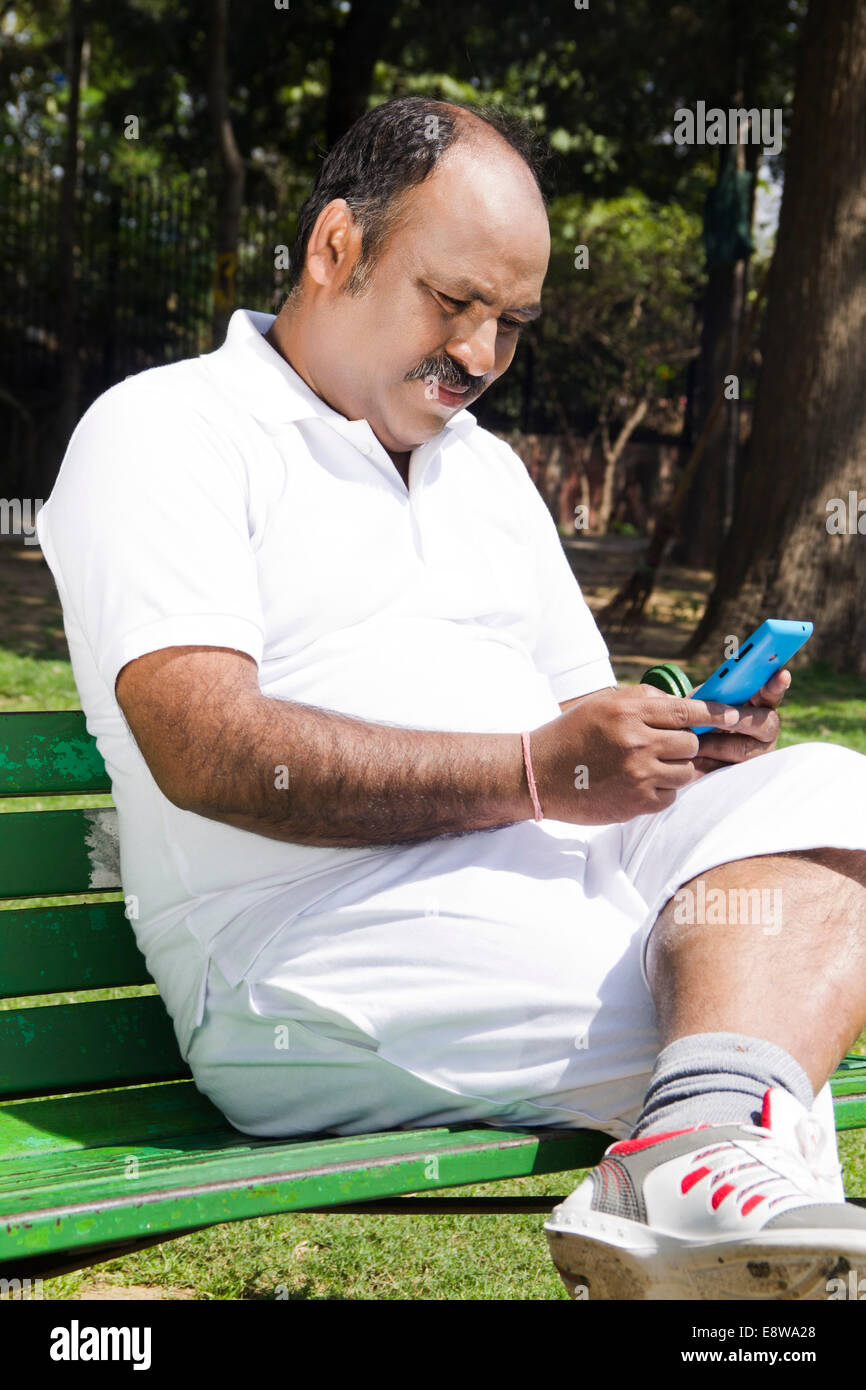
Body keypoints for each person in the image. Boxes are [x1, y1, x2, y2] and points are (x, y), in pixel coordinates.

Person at [37, 95, 866, 1301]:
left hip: (550, 891)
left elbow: (591, 740)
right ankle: (714, 1179)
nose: (479, 357)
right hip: (309, 955)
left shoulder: (483, 473)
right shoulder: (166, 431)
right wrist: (532, 773)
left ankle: (693, 1166)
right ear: (335, 249)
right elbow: (205, 744)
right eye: (451, 303)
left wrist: (684, 752)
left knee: (832, 799)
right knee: (751, 1021)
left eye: (511, 322)